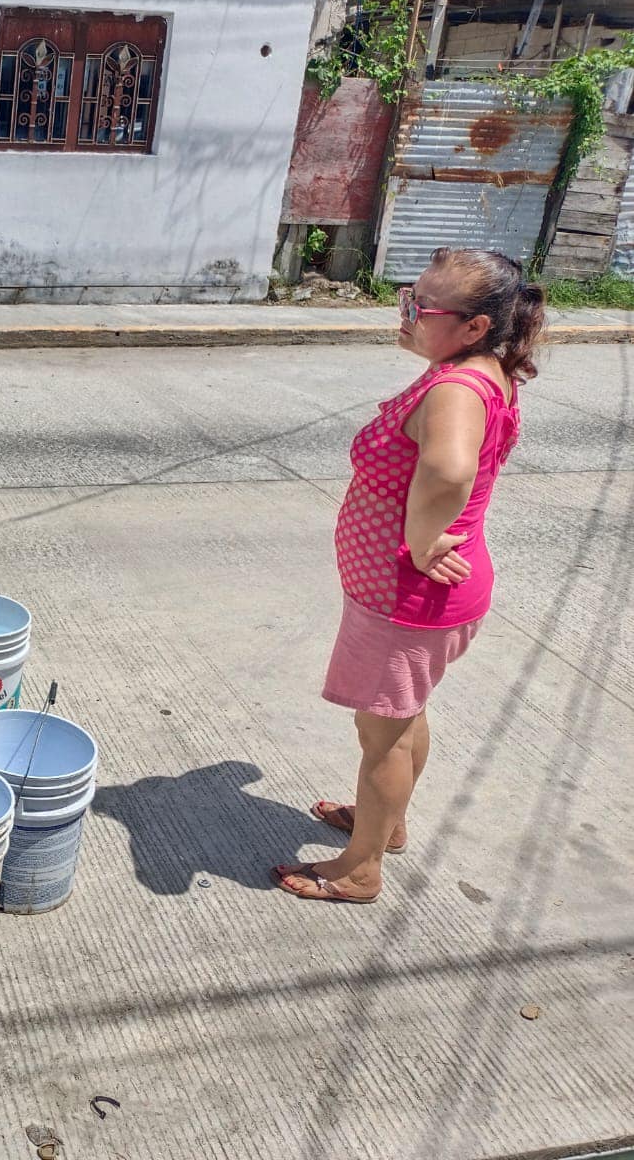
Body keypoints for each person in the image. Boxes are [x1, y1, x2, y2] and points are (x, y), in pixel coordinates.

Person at [274, 248, 539, 904]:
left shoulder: (455, 389)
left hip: (406, 599)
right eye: (407, 298)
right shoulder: (480, 372)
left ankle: (360, 869)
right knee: (402, 714)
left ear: (475, 326)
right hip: (420, 596)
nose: (406, 315)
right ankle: (384, 823)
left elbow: (449, 470)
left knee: (381, 735)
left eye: (420, 308)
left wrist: (419, 543)